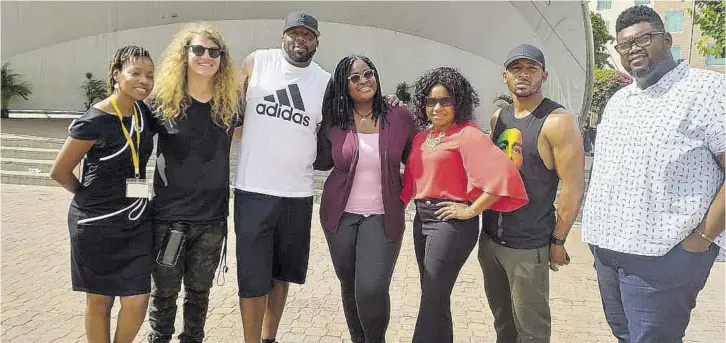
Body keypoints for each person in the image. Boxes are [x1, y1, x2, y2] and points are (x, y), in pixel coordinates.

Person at [234, 12, 402, 343]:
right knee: (253, 278)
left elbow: (355, 103)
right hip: (253, 190)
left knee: (282, 273)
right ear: (282, 36)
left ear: (316, 41)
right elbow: (232, 114)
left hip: (297, 193)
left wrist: (386, 100)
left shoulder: (325, 82)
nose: (301, 39)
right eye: (294, 33)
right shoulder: (257, 63)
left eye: (308, 35)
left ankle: (270, 338)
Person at [581, 6, 724, 343]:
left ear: (668, 39)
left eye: (644, 39)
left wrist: (701, 239)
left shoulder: (707, 90)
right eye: (625, 44)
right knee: (625, 336)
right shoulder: (619, 100)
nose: (633, 49)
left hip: (664, 256)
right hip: (608, 252)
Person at [401, 66, 529, 343]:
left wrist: (471, 209)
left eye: (445, 101)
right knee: (434, 295)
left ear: (457, 102)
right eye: (431, 101)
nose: (437, 107)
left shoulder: (467, 134)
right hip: (422, 219)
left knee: (433, 293)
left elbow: (504, 174)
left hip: (451, 223)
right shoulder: (423, 138)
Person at [478, 44, 585, 343]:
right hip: (490, 240)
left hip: (527, 246)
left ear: (543, 75)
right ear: (505, 77)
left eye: (531, 68)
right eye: (516, 68)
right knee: (503, 322)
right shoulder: (498, 118)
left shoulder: (557, 121)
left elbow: (573, 186)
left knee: (532, 330)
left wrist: (557, 241)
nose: (523, 74)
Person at [50, 45, 156, 343]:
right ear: (115, 75)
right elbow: (59, 171)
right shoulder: (95, 119)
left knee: (137, 299)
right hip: (96, 224)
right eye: (135, 73)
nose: (144, 81)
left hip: (135, 222)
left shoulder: (142, 112)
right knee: (100, 300)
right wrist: (88, 198)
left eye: (150, 75)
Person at [145, 23, 242, 343]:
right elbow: (134, 150)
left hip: (212, 221)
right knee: (164, 295)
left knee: (199, 294)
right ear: (184, 55)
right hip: (170, 221)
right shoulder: (162, 103)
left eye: (214, 52)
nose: (206, 57)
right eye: (198, 50)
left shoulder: (229, 105)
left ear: (222, 60)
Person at [314, 55, 416, 343]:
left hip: (383, 216)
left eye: (367, 74)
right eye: (354, 78)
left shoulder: (399, 116)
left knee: (371, 288)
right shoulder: (335, 120)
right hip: (340, 216)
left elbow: (418, 158)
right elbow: (321, 160)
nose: (363, 81)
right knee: (349, 285)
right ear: (344, 86)